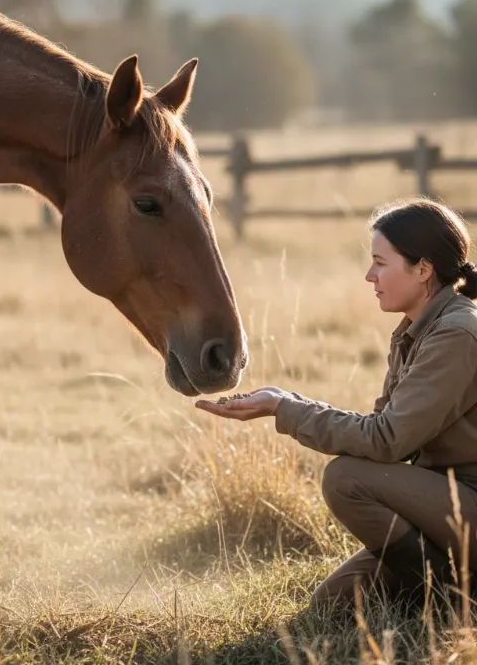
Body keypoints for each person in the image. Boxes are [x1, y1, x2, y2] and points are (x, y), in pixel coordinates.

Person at [196, 198, 477, 610]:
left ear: (423, 268)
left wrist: (284, 410)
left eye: (381, 263)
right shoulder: (416, 330)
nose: (370, 275)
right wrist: (286, 400)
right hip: (447, 504)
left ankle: (453, 605)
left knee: (344, 478)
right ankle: (444, 584)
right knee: (333, 603)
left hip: (466, 502)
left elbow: (387, 442)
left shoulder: (456, 335)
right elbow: (387, 428)